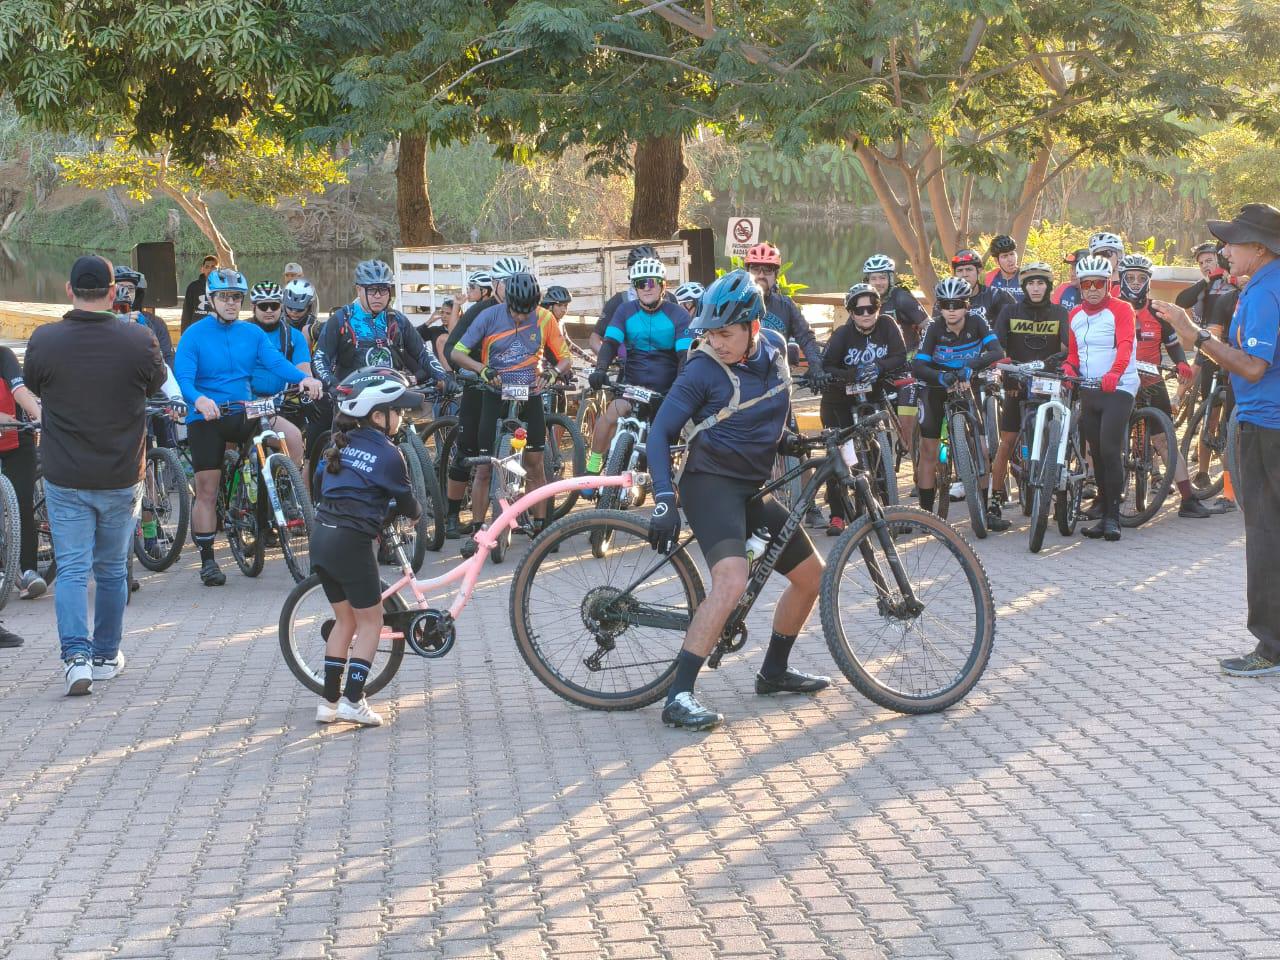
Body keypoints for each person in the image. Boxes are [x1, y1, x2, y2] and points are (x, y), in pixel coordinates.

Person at [646, 269, 827, 732]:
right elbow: (661, 433)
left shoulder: (776, 350)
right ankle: (679, 695)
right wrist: (664, 497)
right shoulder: (703, 369)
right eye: (710, 331)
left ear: (753, 326)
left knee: (811, 577)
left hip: (751, 486)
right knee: (731, 581)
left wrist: (787, 441)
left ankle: (773, 672)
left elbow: (772, 405)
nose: (716, 341)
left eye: (725, 332)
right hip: (709, 484)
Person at [24, 255, 167, 693]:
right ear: (113, 292)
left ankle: (76, 659)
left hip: (65, 473)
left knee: (70, 569)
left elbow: (34, 384)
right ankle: (106, 654)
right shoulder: (139, 339)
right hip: (122, 473)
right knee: (109, 571)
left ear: (69, 291)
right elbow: (155, 383)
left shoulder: (44, 340)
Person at [1151, 204, 1280, 676]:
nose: (1225, 251)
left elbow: (1252, 366)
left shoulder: (1267, 292)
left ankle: (1271, 649)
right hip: (1266, 423)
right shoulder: (1261, 286)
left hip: (1268, 429)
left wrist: (1194, 335)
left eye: (1233, 242)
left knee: (1267, 537)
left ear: (1259, 248)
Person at [175, 268, 324, 587]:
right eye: (225, 297)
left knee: (281, 435)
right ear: (212, 300)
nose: (231, 303)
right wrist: (199, 400)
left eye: (236, 298)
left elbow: (276, 363)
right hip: (208, 417)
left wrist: (305, 378)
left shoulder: (252, 334)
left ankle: (278, 492)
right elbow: (183, 378)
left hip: (244, 410)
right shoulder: (194, 335)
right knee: (207, 490)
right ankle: (208, 561)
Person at [312, 368, 423, 726]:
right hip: (352, 543)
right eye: (397, 410)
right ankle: (353, 700)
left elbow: (322, 487)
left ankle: (328, 705)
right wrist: (415, 515)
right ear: (378, 415)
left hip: (322, 539)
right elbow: (408, 504)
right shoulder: (389, 454)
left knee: (345, 620)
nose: (402, 416)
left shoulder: (336, 446)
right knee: (371, 622)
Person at [450, 272, 573, 539]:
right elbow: (457, 352)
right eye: (516, 310)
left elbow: (565, 358)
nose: (520, 317)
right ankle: (478, 529)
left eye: (526, 311)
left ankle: (540, 527)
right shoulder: (489, 316)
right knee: (484, 466)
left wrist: (551, 374)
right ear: (508, 302)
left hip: (531, 392)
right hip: (494, 391)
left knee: (535, 464)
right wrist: (481, 369)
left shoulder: (544, 317)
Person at [1115, 254, 1209, 519]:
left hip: (1152, 381)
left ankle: (1188, 499)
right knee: (1108, 440)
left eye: (1141, 278)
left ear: (1148, 281)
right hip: (1119, 381)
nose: (1135, 283)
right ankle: (1103, 497)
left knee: (1165, 441)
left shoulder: (1158, 311)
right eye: (1130, 278)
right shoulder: (1111, 310)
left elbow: (1173, 345)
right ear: (1121, 279)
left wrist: (1181, 364)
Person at [585, 258, 692, 484]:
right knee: (609, 416)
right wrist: (600, 369)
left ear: (663, 285)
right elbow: (611, 343)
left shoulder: (678, 315)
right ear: (634, 286)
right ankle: (592, 470)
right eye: (641, 283)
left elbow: (684, 357)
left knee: (667, 441)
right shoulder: (625, 311)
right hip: (632, 385)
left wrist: (681, 385)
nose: (646, 288)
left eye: (652, 282)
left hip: (665, 390)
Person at [745, 242, 830, 526]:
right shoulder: (738, 302)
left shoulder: (785, 306)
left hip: (779, 386)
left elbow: (806, 337)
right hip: (743, 387)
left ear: (776, 275)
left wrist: (816, 366)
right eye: (755, 269)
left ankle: (811, 506)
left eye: (767, 270)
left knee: (799, 446)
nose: (761, 275)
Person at [912, 277, 1006, 524]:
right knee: (928, 449)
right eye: (945, 304)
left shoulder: (977, 322)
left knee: (981, 448)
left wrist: (971, 367)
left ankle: (985, 512)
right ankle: (925, 515)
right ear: (939, 307)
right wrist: (939, 376)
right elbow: (918, 365)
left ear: (966, 305)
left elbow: (997, 352)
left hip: (966, 383)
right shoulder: (934, 328)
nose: (951, 310)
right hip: (936, 386)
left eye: (957, 304)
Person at [1062, 254, 1138, 541]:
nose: (1093, 288)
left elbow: (1125, 344)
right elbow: (1073, 353)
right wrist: (1069, 369)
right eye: (1087, 283)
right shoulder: (1075, 316)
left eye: (1098, 283)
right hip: (1090, 388)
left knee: (1109, 449)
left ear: (1108, 284)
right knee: (1095, 452)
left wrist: (1115, 373)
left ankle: (1113, 517)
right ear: (1080, 285)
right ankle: (1104, 509)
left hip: (1118, 388)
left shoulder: (1121, 309)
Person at [820, 283, 907, 534]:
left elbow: (900, 355)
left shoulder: (888, 326)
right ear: (850, 312)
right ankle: (837, 515)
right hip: (839, 400)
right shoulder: (841, 336)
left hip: (873, 394)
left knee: (883, 450)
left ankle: (893, 511)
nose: (866, 314)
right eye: (859, 310)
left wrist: (878, 366)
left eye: (872, 308)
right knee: (839, 454)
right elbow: (827, 366)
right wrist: (852, 373)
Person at [989, 261, 1069, 527]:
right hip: (1017, 381)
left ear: (1048, 286)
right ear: (1024, 286)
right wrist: (1006, 369)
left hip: (1049, 382)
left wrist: (1060, 361)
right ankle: (995, 500)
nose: (1036, 288)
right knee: (1007, 441)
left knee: (1058, 440)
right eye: (1031, 283)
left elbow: (1070, 347)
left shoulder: (1059, 313)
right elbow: (997, 345)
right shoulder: (1010, 310)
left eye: (1041, 283)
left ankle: (1059, 498)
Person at [442, 258, 517, 538]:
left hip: (513, 389)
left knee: (521, 452)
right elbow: (451, 347)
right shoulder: (479, 311)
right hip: (478, 386)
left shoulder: (527, 309)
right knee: (469, 452)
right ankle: (451, 514)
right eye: (506, 284)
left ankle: (520, 515)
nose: (511, 290)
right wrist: (465, 372)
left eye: (516, 283)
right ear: (495, 285)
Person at [312, 259, 448, 392]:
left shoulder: (397, 319)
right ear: (359, 290)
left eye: (383, 290)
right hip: (351, 395)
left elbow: (422, 352)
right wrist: (332, 383)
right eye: (371, 290)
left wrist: (443, 376)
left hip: (392, 392)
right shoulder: (342, 319)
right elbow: (320, 358)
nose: (378, 296)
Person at [247, 281, 310, 467]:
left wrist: (309, 384)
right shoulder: (240, 333)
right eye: (262, 306)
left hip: (277, 405)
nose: (269, 310)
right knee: (226, 445)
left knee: (295, 438)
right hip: (242, 403)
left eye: (274, 305)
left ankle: (289, 488)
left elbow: (304, 369)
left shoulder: (293, 336)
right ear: (253, 307)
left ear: (281, 306)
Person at [0, 346, 45, 601]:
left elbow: (19, 391)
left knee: (23, 506)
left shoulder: (4, 356)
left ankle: (29, 574)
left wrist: (40, 416)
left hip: (17, 439)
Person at [589, 245, 678, 356]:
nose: (647, 286)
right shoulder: (618, 302)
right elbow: (595, 339)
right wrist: (610, 360)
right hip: (631, 366)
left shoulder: (670, 299)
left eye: (651, 279)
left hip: (665, 365)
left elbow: (681, 334)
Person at [863, 255, 929, 350]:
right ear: (867, 281)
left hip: (907, 358)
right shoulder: (862, 301)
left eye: (882, 278)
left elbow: (930, 328)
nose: (878, 283)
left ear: (890, 279)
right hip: (877, 358)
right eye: (873, 278)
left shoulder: (902, 298)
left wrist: (921, 354)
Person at [113, 266, 174, 366]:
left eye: (131, 288)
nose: (126, 292)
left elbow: (168, 359)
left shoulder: (155, 323)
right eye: (120, 288)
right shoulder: (101, 322)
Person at [947, 249, 1016, 329]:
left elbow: (1016, 329)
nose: (964, 275)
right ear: (955, 274)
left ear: (979, 271)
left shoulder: (997, 296)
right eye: (960, 270)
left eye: (969, 269)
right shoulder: (945, 300)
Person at [181, 255, 218, 333]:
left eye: (213, 267)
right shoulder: (193, 287)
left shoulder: (222, 288)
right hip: (196, 329)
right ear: (202, 269)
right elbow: (187, 312)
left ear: (218, 269)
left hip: (216, 330)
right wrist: (184, 333)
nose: (210, 269)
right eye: (207, 267)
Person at [985, 235, 1023, 301]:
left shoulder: (1026, 276)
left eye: (1012, 254)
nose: (1010, 259)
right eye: (1005, 256)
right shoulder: (989, 277)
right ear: (996, 260)